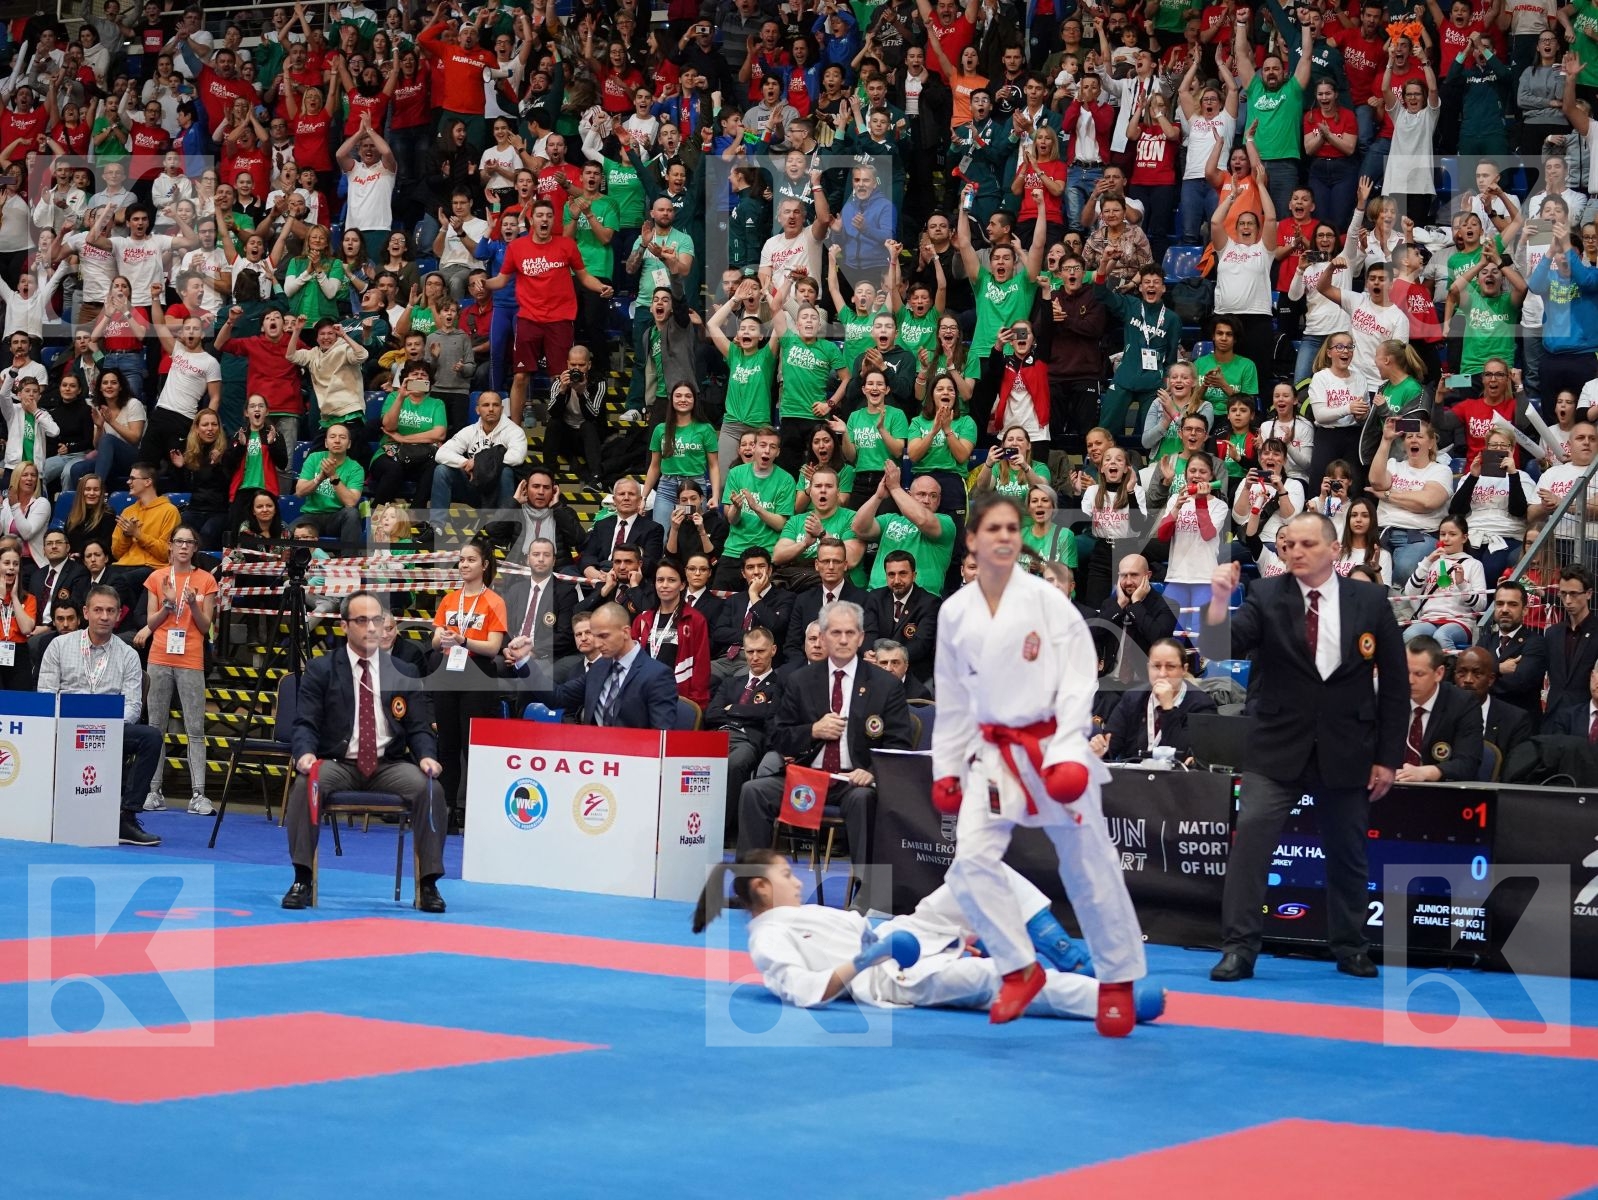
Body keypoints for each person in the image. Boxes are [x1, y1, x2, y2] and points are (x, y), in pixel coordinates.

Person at [930, 492, 1146, 1036]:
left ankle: (1118, 980)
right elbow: (953, 700)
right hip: (993, 754)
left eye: (1011, 528)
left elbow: (1079, 679)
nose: (1003, 536)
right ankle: (1019, 966)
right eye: (992, 529)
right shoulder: (955, 612)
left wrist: (1069, 749)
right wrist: (947, 768)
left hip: (1052, 745)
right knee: (970, 864)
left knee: (1087, 863)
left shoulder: (1048, 602)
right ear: (973, 540)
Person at [1200, 512, 1407, 983]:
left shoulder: (1371, 599)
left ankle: (1352, 946)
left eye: (1307, 544)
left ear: (1334, 550)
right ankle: (1238, 948)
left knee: (1349, 852)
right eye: (1288, 544)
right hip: (1276, 747)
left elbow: (1394, 685)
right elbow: (1218, 646)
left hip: (1348, 745)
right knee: (1251, 843)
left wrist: (1388, 758)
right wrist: (1216, 601)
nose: (1295, 551)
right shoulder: (1266, 594)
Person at [694, 851, 1161, 1022]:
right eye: (785, 875)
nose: (796, 881)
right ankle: (1106, 998)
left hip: (902, 933)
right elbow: (801, 991)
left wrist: (892, 935)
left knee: (974, 869)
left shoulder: (798, 911)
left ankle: (1063, 948)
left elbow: (867, 929)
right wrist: (870, 958)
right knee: (993, 977)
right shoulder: (766, 940)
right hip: (898, 976)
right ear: (761, 887)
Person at [736, 599, 913, 911]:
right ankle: (754, 888)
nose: (842, 640)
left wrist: (872, 770)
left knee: (863, 800)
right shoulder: (800, 680)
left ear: (861, 637)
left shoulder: (885, 685)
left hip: (853, 780)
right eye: (835, 633)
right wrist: (812, 731)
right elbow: (777, 735)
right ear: (824, 636)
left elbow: (900, 743)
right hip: (808, 776)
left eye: (849, 633)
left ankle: (869, 894)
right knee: (754, 791)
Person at [280, 590, 447, 913]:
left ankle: (428, 884)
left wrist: (427, 756)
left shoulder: (404, 670)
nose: (371, 628)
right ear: (344, 626)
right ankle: (303, 877)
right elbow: (305, 723)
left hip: (390, 764)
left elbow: (419, 726)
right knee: (307, 784)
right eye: (361, 621)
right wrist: (305, 754)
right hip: (338, 761)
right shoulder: (321, 668)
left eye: (376, 620)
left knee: (430, 787)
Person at [38, 584, 166, 847]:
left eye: (110, 611)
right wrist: (70, 723)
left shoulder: (128, 655)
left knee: (151, 737)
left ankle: (126, 818)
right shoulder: (58, 646)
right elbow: (46, 694)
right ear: (86, 612)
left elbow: (132, 705)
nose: (104, 616)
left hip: (109, 729)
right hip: (64, 727)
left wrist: (104, 726)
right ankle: (39, 813)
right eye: (98, 610)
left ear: (119, 615)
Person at [132, 523, 216, 815]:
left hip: (191, 658)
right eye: (178, 541)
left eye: (188, 542)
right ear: (170, 546)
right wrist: (168, 605)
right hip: (159, 657)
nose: (183, 547)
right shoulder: (156, 577)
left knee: (195, 728)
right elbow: (151, 623)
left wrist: (192, 605)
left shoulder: (205, 580)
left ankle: (198, 794)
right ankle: (154, 791)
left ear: (195, 547)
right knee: (156, 727)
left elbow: (206, 628)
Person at [430, 539, 507, 819]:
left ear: (484, 565)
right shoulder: (450, 599)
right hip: (447, 673)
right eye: (462, 560)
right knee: (446, 745)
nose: (464, 565)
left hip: (479, 676)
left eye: (471, 560)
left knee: (471, 747)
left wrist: (463, 639)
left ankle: (476, 813)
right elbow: (436, 639)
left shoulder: (494, 601)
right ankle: (446, 811)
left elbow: (493, 647)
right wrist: (443, 639)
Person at [526, 601, 680, 728]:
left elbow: (661, 737)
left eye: (604, 636)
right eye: (595, 636)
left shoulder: (658, 675)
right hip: (594, 755)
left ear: (626, 632)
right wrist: (523, 662)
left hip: (633, 759)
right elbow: (558, 697)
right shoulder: (599, 667)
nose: (597, 644)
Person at [1091, 637, 1218, 763]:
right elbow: (1110, 746)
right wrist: (1100, 750)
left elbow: (1186, 755)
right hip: (1135, 778)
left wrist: (1168, 709)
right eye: (1156, 666)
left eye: (1170, 666)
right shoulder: (1133, 698)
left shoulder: (1202, 705)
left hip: (1177, 780)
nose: (1162, 673)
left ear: (1184, 669)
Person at [1395, 636, 1485, 783]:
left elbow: (1468, 763)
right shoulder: (1389, 699)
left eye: (1419, 674)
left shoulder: (1463, 704)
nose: (1409, 681)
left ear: (1439, 673)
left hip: (1440, 793)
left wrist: (1428, 772)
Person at [499, 537, 577, 692]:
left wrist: (532, 651)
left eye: (546, 555)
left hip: (543, 655)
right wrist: (506, 650)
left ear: (554, 560)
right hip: (512, 653)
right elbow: (503, 627)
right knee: (481, 669)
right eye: (536, 554)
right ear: (527, 559)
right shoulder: (515, 590)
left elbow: (565, 635)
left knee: (528, 678)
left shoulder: (565, 592)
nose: (541, 559)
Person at [1401, 514, 1488, 650]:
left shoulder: (1474, 564)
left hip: (1459, 621)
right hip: (1429, 619)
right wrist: (1427, 562)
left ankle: (1449, 671)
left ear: (1464, 538)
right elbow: (1409, 592)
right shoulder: (1431, 562)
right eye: (1442, 534)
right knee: (1408, 635)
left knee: (1441, 636)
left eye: (1452, 534)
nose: (1446, 539)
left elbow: (1481, 606)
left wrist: (1462, 584)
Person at [1096, 554, 1178, 683]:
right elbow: (1095, 633)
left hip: (1145, 684)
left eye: (1134, 575)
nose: (1128, 581)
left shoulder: (1168, 605)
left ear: (1148, 576)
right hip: (1109, 681)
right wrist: (1120, 606)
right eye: (1123, 575)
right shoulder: (1111, 604)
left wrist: (1136, 605)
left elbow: (1159, 638)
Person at [1451, 646, 1534, 766]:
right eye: (1462, 673)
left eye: (1477, 673)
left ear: (1490, 679)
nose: (1468, 680)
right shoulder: (1438, 713)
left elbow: (1516, 772)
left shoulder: (1516, 719)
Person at [1477, 580, 1548, 715]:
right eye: (1499, 604)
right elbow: (1472, 678)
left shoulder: (1536, 643)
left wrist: (1484, 676)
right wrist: (1499, 668)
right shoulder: (1485, 641)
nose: (1504, 609)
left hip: (1521, 725)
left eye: (1512, 604)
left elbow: (1519, 683)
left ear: (1525, 610)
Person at [294, 422, 366, 550]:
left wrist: (333, 477)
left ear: (349, 444)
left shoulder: (356, 468)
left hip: (337, 517)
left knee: (352, 514)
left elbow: (351, 502)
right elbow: (299, 492)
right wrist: (320, 478)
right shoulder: (314, 458)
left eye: (342, 437)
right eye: (332, 437)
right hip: (311, 516)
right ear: (326, 443)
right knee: (287, 532)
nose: (337, 441)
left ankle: (348, 564)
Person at [1544, 565, 1598, 725]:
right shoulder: (1553, 633)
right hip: (1553, 717)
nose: (1567, 600)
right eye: (1563, 593)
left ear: (1588, 594)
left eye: (1574, 594)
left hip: (1586, 720)